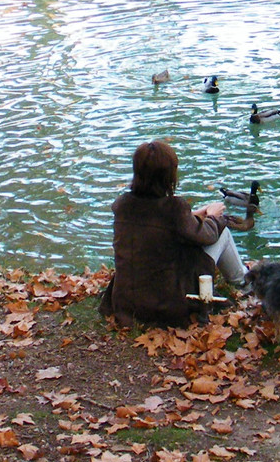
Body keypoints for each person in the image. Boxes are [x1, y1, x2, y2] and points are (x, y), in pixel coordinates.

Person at [100, 139, 253, 328]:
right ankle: (244, 282)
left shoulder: (123, 204)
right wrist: (213, 217)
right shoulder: (174, 208)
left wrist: (195, 214)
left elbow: (156, 221)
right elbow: (208, 236)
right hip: (166, 303)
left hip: (127, 301)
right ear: (168, 176)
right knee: (222, 232)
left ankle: (243, 279)